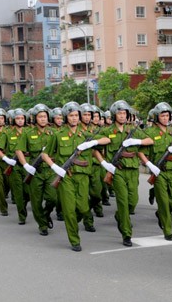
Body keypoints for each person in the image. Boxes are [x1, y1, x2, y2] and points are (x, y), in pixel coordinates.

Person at [42, 102, 110, 251]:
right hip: (66, 177)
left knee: (84, 208)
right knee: (69, 210)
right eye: (71, 115)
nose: (74, 118)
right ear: (66, 117)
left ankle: (75, 221)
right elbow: (45, 154)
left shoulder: (86, 134)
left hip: (83, 176)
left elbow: (107, 140)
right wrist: (55, 167)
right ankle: (74, 239)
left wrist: (92, 142)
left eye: (76, 115)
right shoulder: (58, 136)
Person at [95, 100, 153, 247]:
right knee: (122, 202)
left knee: (132, 201)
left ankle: (119, 216)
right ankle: (126, 234)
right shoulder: (107, 130)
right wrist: (104, 163)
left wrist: (136, 141)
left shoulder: (132, 130)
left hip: (133, 170)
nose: (122, 116)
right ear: (114, 115)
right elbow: (96, 147)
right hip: (118, 170)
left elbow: (150, 140)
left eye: (124, 113)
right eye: (119, 113)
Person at [139, 102, 172, 241]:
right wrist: (149, 164)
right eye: (162, 115)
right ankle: (167, 230)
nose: (165, 118)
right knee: (163, 201)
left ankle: (161, 214)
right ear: (157, 117)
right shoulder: (149, 133)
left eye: (167, 115)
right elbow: (141, 152)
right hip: (159, 172)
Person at [16, 104, 59, 234]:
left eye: (45, 116)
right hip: (35, 171)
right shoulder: (28, 134)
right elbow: (19, 150)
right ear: (35, 118)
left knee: (53, 198)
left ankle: (46, 214)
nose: (43, 119)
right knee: (36, 201)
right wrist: (26, 165)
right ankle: (42, 225)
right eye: (40, 117)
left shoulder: (54, 133)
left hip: (50, 170)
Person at [0, 108, 29, 225]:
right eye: (18, 118)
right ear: (13, 120)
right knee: (18, 192)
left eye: (22, 118)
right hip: (15, 166)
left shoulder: (29, 132)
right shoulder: (8, 133)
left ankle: (24, 204)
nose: (20, 121)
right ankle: (22, 215)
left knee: (28, 192)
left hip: (27, 165)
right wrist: (6, 159)